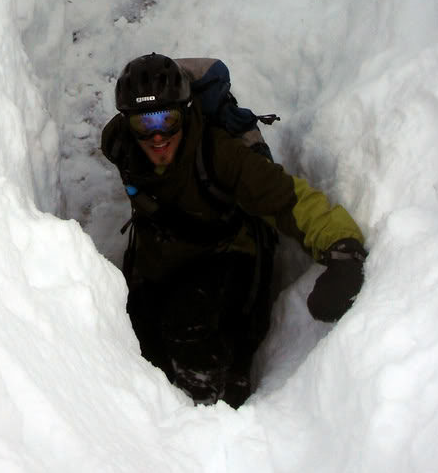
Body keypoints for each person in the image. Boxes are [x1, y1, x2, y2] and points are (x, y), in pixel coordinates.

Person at [101, 52, 366, 408]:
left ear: (187, 111)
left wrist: (343, 249)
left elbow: (290, 200)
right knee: (137, 339)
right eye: (144, 124)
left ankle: (209, 409)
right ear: (127, 123)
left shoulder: (218, 154)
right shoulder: (121, 146)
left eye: (169, 118)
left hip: (228, 256)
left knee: (189, 325)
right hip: (163, 260)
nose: (158, 135)